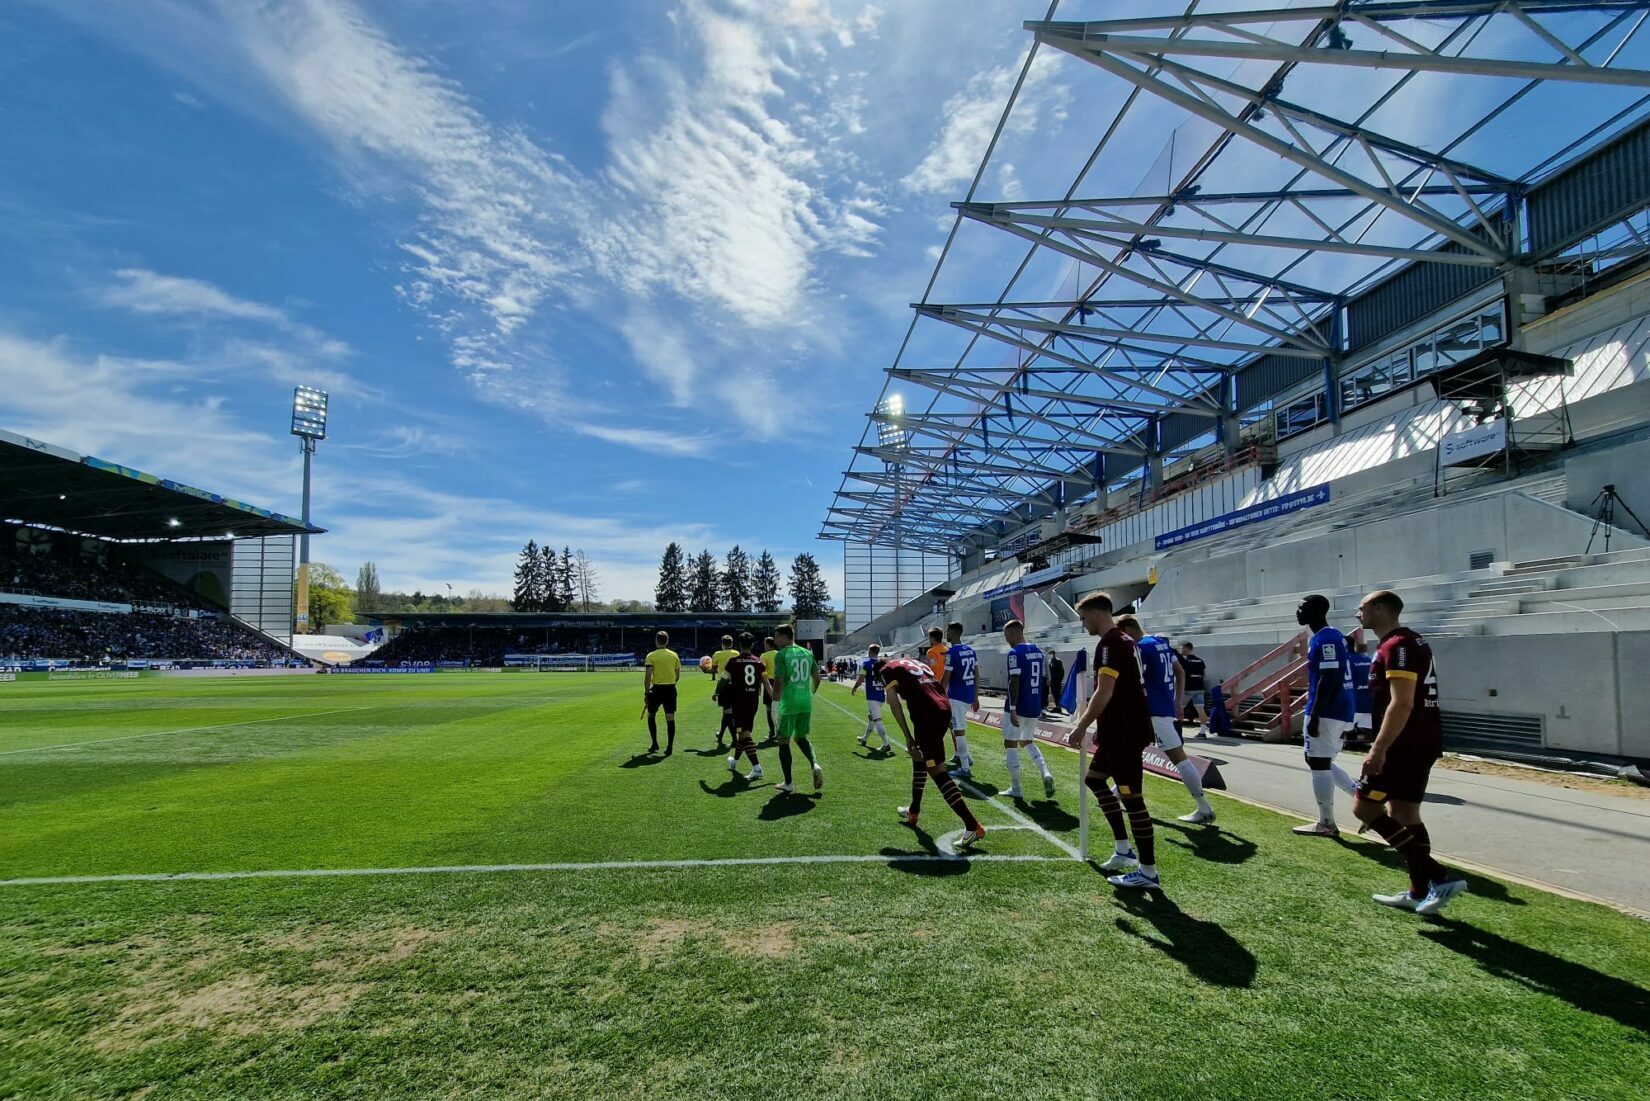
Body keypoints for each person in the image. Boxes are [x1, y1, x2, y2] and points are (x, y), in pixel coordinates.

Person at [1353, 590, 1468, 914]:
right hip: (1421, 740)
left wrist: (1379, 749)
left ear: (1380, 608)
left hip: (1405, 743)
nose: (1357, 614)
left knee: (1364, 809)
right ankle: (1419, 891)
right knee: (1404, 813)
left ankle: (1439, 877)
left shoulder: (1397, 645)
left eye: (1361, 608)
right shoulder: (1410, 641)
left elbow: (1402, 702)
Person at [1069, 592, 1161, 890]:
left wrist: (1081, 726)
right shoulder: (1124, 641)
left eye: (1083, 618)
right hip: (1117, 731)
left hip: (1125, 733)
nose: (1083, 625)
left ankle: (1148, 872)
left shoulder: (1110, 643)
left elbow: (1104, 691)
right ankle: (1123, 849)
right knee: (1094, 780)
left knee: (1133, 800)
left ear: (1097, 614)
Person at [876, 654, 985, 846]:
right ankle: (913, 811)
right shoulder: (914, 662)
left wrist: (908, 737)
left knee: (936, 770)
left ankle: (972, 825)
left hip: (927, 714)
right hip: (941, 707)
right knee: (920, 758)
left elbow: (893, 703)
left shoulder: (886, 670)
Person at [1118, 616, 1216, 824]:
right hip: (1163, 707)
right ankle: (1117, 792)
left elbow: (1136, 682)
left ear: (1127, 629)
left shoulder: (1142, 648)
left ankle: (1204, 807)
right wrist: (1178, 700)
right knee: (1129, 750)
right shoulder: (1161, 644)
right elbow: (1180, 671)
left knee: (1179, 758)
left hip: (1152, 711)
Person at [1293, 595, 1360, 837]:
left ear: (1317, 610)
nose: (1298, 612)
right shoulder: (1329, 636)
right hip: (1338, 708)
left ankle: (1327, 823)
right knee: (1319, 760)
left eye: (1302, 608)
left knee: (1318, 762)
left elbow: (1329, 678)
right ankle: (1357, 795)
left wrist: (1316, 714)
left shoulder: (1327, 638)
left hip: (1329, 710)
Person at [1001, 620, 1055, 801]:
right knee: (1027, 741)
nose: (1006, 639)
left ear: (1015, 633)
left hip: (1018, 705)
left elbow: (1013, 681)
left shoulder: (1014, 653)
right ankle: (1045, 772)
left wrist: (1013, 708)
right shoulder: (1038, 652)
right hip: (1034, 704)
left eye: (1007, 635)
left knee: (1010, 743)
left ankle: (1016, 788)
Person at [769, 624, 823, 793]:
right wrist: (810, 695)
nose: (776, 640)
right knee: (801, 737)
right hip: (805, 702)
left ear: (785, 636)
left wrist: (775, 704)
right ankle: (814, 764)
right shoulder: (807, 653)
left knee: (783, 741)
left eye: (777, 637)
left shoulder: (782, 655)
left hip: (789, 703)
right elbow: (817, 678)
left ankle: (789, 783)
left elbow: (778, 682)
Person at [722, 633, 766, 782]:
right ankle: (734, 760)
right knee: (743, 733)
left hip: (739, 702)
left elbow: (723, 680)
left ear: (739, 645)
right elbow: (766, 683)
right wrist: (775, 700)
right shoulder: (759, 662)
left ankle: (757, 768)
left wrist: (717, 693)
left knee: (744, 734)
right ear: (752, 645)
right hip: (753, 702)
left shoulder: (733, 661)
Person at [938, 622, 978, 778]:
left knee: (959, 731)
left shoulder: (952, 653)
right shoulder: (970, 650)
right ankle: (964, 756)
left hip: (957, 696)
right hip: (968, 695)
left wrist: (939, 694)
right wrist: (976, 695)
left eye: (948, 632)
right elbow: (976, 673)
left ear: (952, 633)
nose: (946, 634)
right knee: (958, 728)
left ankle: (965, 767)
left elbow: (946, 677)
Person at [849, 643, 895, 751]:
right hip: (880, 694)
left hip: (872, 696)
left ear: (870, 652)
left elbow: (861, 679)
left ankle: (886, 744)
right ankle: (864, 738)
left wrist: (854, 687)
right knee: (871, 718)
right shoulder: (883, 664)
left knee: (877, 719)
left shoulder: (866, 664)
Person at [642, 631, 681, 755]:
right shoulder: (674, 655)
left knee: (651, 715)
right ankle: (669, 747)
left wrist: (647, 692)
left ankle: (654, 743)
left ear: (656, 641)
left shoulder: (651, 656)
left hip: (657, 689)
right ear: (667, 641)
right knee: (670, 717)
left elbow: (648, 676)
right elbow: (677, 675)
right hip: (670, 688)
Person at [709, 634, 740, 748]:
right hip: (736, 685)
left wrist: (704, 669)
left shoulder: (717, 654)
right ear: (732, 643)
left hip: (724, 685)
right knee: (727, 712)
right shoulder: (737, 653)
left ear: (722, 644)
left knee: (728, 713)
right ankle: (721, 734)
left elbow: (713, 670)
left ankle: (734, 740)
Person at [1178, 642, 1210, 738]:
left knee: (1179, 708)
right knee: (1200, 709)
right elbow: (1203, 674)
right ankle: (1203, 731)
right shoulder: (1200, 661)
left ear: (1186, 648)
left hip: (1188, 688)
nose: (1180, 650)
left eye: (1181, 648)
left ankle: (1178, 730)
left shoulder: (1183, 660)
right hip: (1199, 688)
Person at [1347, 636, 1374, 748]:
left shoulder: (1347, 661)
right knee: (1369, 729)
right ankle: (1378, 749)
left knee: (1340, 728)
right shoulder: (1367, 659)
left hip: (1355, 702)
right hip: (1369, 701)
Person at [760, 635, 780, 740]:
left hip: (770, 682)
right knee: (779, 707)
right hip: (781, 682)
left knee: (769, 708)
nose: (764, 646)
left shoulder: (764, 655)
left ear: (767, 644)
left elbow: (761, 671)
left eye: (764, 644)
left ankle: (773, 733)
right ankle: (780, 732)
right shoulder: (780, 654)